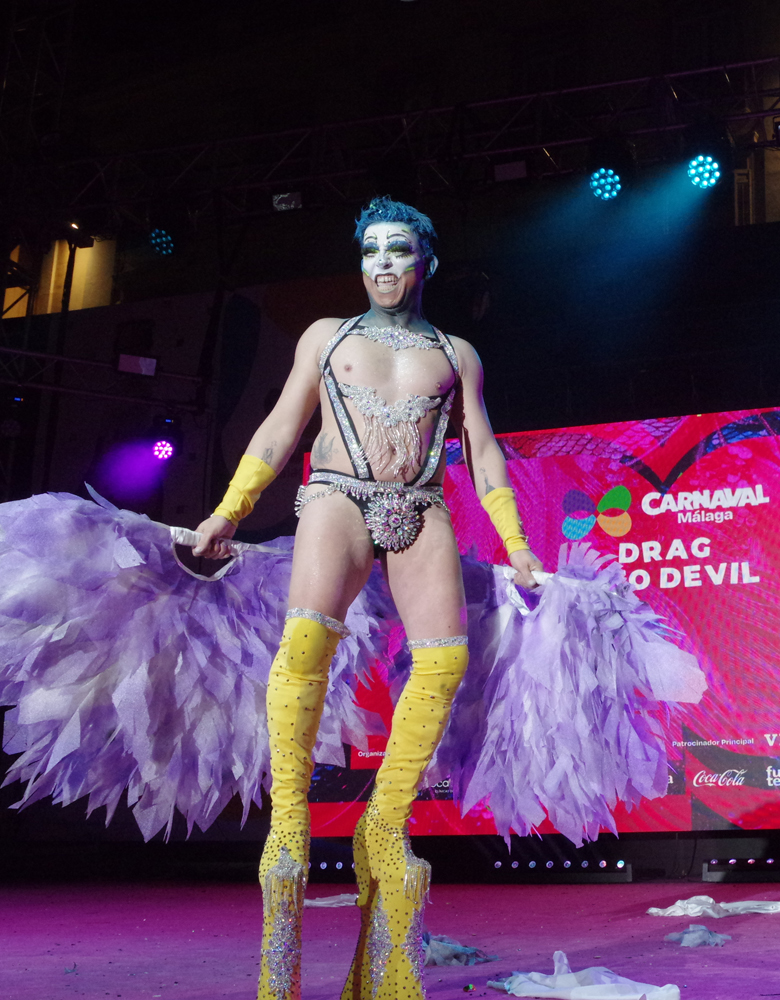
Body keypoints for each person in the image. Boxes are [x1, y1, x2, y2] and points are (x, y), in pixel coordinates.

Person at [194, 196, 543, 1000]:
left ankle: (384, 821)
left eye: (398, 250)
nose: (383, 263)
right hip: (339, 497)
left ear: (427, 262)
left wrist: (517, 544)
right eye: (370, 251)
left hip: (420, 506)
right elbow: (280, 427)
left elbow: (483, 451)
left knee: (445, 660)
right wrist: (228, 512)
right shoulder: (327, 336)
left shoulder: (456, 353)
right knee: (306, 644)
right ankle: (289, 823)